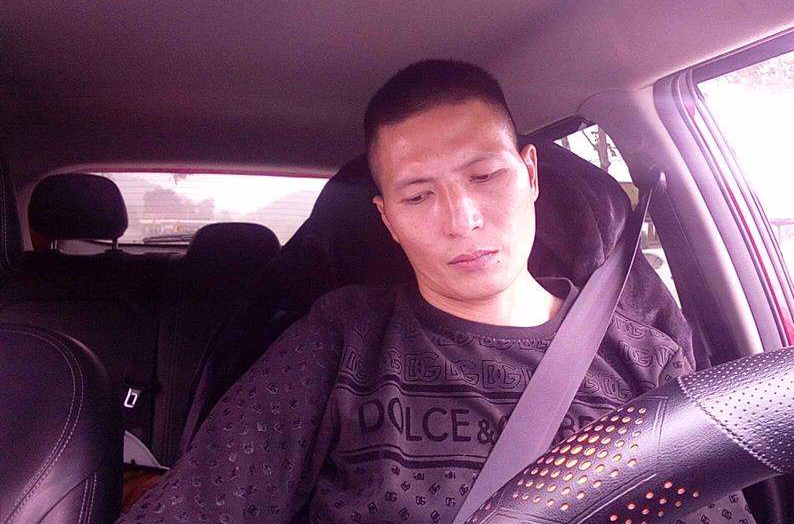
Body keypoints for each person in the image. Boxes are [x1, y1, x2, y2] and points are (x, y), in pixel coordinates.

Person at [120, 60, 753, 523]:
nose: (462, 220)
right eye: (419, 195)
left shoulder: (645, 359)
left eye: (485, 176)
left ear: (530, 174)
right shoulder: (340, 340)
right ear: (387, 218)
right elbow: (202, 505)